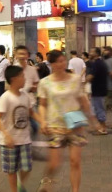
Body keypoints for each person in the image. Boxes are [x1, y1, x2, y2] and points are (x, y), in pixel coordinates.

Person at [36, 49, 97, 192]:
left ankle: (75, 190)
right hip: (55, 126)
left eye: (63, 60)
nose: (62, 64)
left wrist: (92, 119)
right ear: (51, 64)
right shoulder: (44, 83)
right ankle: (46, 180)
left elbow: (83, 100)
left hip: (75, 125)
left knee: (75, 161)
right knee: (54, 163)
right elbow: (42, 105)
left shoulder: (75, 79)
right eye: (58, 62)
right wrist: (43, 121)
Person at [0, 65, 44, 192]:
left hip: (25, 139)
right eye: (22, 76)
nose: (25, 79)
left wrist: (42, 122)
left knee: (27, 167)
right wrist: (6, 135)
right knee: (11, 170)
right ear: (14, 79)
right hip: (9, 141)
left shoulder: (25, 95)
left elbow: (31, 112)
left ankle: (19, 184)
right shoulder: (5, 97)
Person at [86, 47, 109, 135]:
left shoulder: (97, 63)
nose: (90, 53)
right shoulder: (100, 62)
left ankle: (103, 128)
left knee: (99, 109)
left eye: (91, 52)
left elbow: (91, 76)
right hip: (99, 89)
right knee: (96, 108)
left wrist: (83, 82)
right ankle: (98, 127)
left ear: (96, 53)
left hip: (98, 90)